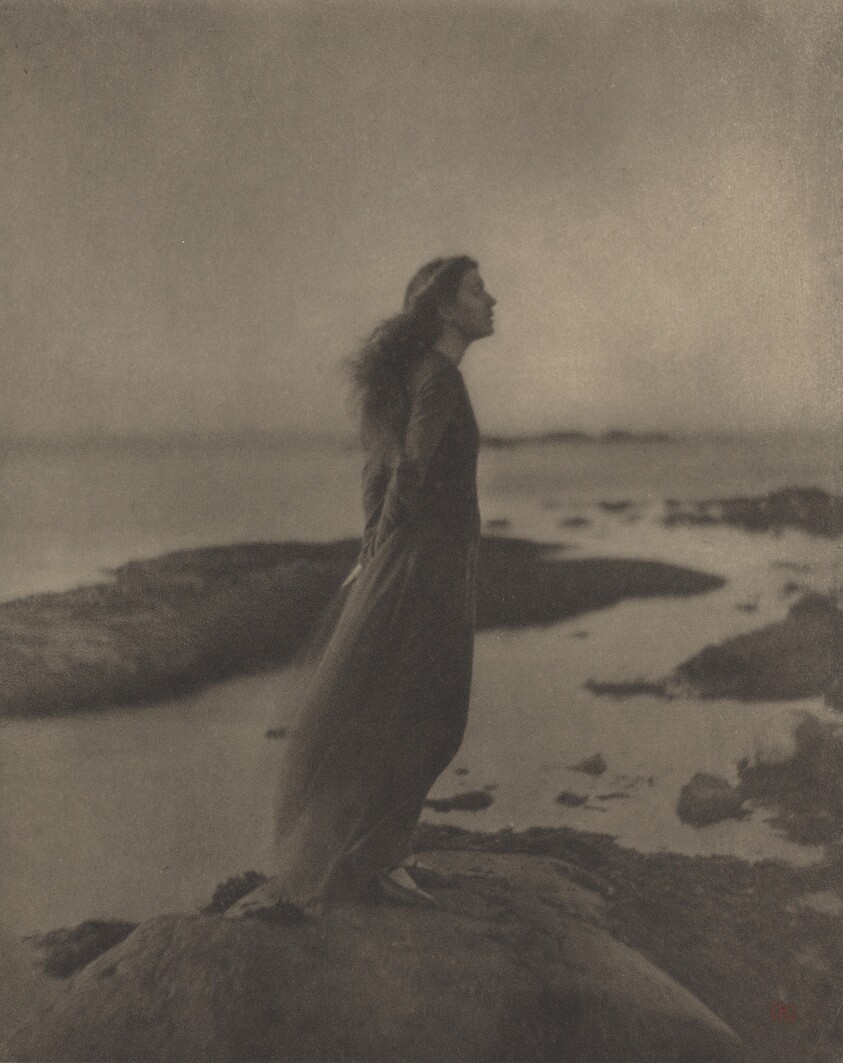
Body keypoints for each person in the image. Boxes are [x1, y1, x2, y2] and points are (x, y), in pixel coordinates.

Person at [229, 255, 495, 916]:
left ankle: (383, 855)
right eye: (476, 290)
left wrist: (374, 543)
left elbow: (379, 472)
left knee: (401, 708)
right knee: (433, 713)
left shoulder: (420, 374)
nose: (492, 300)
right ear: (444, 308)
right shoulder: (439, 378)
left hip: (416, 556)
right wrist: (386, 547)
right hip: (428, 563)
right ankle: (378, 862)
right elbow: (408, 469)